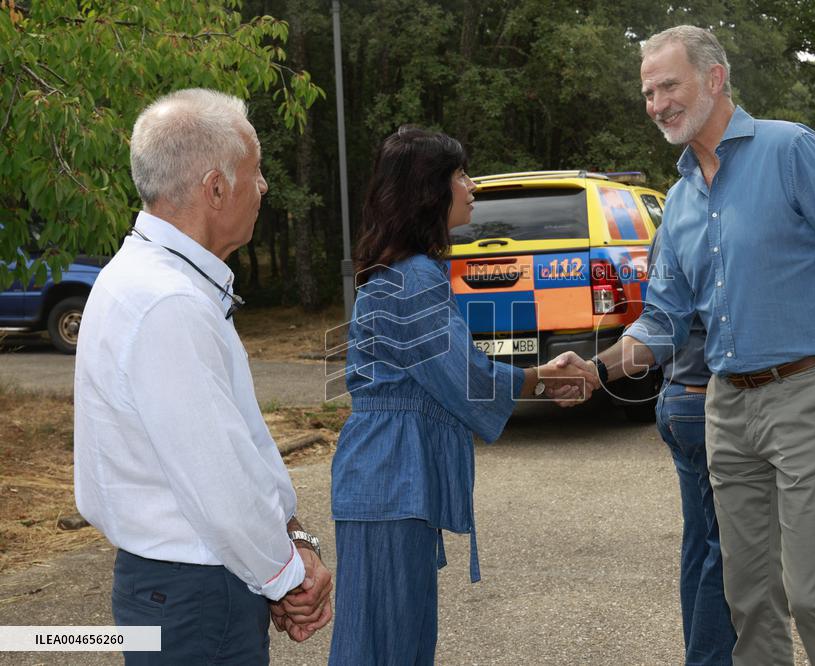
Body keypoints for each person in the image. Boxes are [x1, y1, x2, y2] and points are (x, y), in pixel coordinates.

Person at [557, 26, 815, 666]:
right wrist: (595, 370)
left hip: (811, 397)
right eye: (648, 92)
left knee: (814, 594)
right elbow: (661, 321)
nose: (657, 103)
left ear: (714, 79)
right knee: (747, 596)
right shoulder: (681, 201)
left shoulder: (792, 149)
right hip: (727, 409)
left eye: (668, 85)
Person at [74, 88, 332, 663]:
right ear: (216, 188)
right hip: (198, 594)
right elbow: (219, 484)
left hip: (180, 587)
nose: (264, 188)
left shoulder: (149, 280)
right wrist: (289, 576)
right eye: (256, 172)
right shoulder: (168, 302)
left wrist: (289, 541)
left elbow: (237, 447)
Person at [328, 126, 597, 665]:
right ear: (430, 189)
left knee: (379, 639)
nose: (471, 187)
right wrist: (548, 377)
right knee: (388, 644)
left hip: (382, 477)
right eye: (459, 175)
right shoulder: (417, 277)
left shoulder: (391, 270)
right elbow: (465, 379)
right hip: (392, 478)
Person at [646, 223, 736, 665]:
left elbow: (661, 316)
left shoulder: (672, 223)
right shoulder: (724, 225)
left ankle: (700, 653)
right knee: (726, 554)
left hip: (676, 397)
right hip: (708, 399)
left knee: (701, 544)